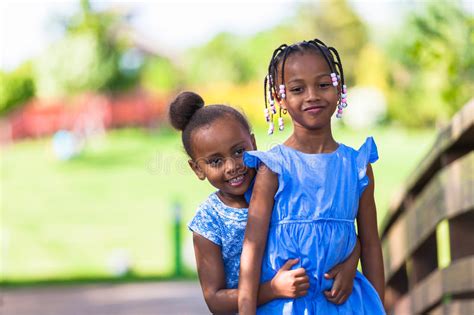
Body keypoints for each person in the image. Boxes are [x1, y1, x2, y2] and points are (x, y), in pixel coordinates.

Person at [168, 91, 362, 314]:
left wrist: (350, 263)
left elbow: (329, 230)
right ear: (198, 169)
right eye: (216, 161)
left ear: (253, 141)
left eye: (239, 151)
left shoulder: (281, 187)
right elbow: (214, 299)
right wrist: (272, 289)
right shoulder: (209, 222)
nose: (232, 166)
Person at [238, 39, 386, 314]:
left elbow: (371, 243)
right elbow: (252, 249)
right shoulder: (273, 168)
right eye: (297, 89)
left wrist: (378, 305)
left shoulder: (358, 167)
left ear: (339, 87)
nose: (312, 96)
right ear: (279, 98)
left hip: (345, 305)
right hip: (286, 306)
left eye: (322, 84)